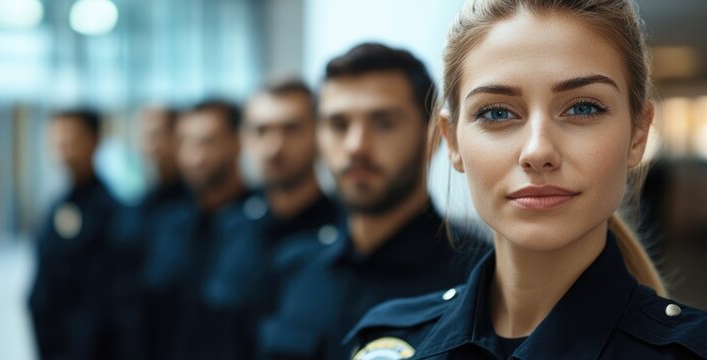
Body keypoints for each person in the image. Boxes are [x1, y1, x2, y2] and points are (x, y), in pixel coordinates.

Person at [347, 1, 707, 359]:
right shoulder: (388, 343)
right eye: (496, 112)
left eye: (582, 108)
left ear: (638, 133)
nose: (537, 151)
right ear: (452, 141)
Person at [257, 43, 483, 360]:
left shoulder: (479, 280)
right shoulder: (294, 265)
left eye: (383, 123)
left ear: (432, 136)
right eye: (338, 125)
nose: (355, 146)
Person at [179, 79, 342, 360]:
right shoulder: (231, 226)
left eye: (291, 129)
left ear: (319, 133)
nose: (274, 146)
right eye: (261, 130)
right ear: (244, 138)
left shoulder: (343, 234)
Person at [138, 99, 249, 360]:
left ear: (236, 142)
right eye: (185, 143)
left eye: (207, 142)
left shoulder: (258, 223)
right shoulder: (167, 225)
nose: (195, 157)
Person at [27, 109, 120, 360]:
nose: (63, 144)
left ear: (94, 140)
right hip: (53, 341)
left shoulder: (110, 211)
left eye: (71, 136)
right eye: (57, 137)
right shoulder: (57, 205)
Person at [101, 106, 188, 360]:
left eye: (158, 134)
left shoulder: (195, 207)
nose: (152, 145)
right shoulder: (139, 205)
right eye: (146, 135)